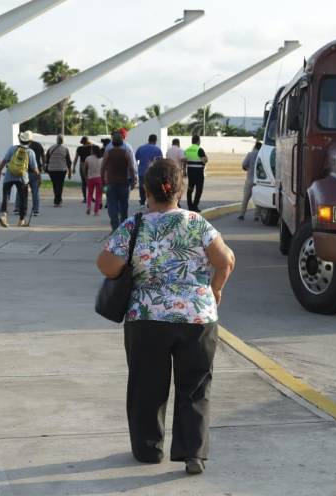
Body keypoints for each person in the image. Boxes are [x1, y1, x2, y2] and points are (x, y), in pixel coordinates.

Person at [96, 158, 236, 475]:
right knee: (195, 386)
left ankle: (148, 450)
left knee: (147, 386)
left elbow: (106, 265)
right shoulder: (198, 223)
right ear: (180, 189)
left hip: (146, 317)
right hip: (197, 318)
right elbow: (225, 261)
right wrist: (215, 290)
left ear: (146, 190)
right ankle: (193, 454)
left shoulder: (135, 226)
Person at [0, 132, 40, 228]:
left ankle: (4, 215)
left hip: (9, 175)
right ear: (30, 141)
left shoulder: (12, 148)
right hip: (22, 178)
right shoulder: (30, 152)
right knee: (23, 199)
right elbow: (34, 168)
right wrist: (39, 177)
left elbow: (4, 161)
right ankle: (21, 220)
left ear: (20, 139)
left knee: (6, 196)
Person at [101, 131, 136, 231]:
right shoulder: (126, 153)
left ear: (112, 142)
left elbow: (103, 168)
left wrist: (103, 182)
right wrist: (133, 180)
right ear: (122, 142)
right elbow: (131, 168)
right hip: (124, 183)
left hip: (110, 183)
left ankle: (115, 227)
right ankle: (123, 227)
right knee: (124, 205)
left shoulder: (108, 153)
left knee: (112, 205)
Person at [134, 134, 163, 207]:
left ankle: (142, 202)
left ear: (148, 139)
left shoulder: (140, 148)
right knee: (151, 187)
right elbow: (160, 162)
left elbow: (135, 159)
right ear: (155, 140)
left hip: (142, 171)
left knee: (142, 186)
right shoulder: (157, 149)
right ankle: (150, 202)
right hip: (153, 172)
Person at [45, 135, 72, 207]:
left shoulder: (51, 148)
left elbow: (46, 159)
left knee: (55, 185)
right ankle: (58, 201)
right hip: (62, 170)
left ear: (57, 140)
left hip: (52, 170)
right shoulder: (65, 149)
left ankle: (57, 200)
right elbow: (68, 161)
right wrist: (70, 172)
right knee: (60, 185)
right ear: (63, 140)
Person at [238, 141, 262, 221]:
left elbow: (244, 165)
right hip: (259, 181)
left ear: (255, 146)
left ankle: (242, 214)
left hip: (250, 179)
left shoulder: (250, 154)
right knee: (258, 199)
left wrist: (248, 168)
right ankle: (256, 216)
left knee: (246, 198)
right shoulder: (262, 155)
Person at [185, 135, 208, 212]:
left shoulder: (187, 150)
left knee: (190, 189)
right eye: (199, 140)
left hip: (190, 172)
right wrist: (206, 158)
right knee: (199, 190)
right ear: (198, 141)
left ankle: (190, 206)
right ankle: (195, 206)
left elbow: (184, 160)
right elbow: (205, 160)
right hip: (198, 173)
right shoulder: (199, 149)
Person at [27, 133, 45, 217]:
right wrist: (44, 164)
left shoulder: (23, 146)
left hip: (25, 171)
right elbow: (43, 155)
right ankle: (36, 210)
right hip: (36, 170)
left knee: (21, 191)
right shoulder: (38, 145)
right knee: (35, 191)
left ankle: (18, 208)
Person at [74, 136, 96, 204]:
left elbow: (76, 158)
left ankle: (85, 198)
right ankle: (91, 196)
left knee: (84, 182)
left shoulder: (79, 148)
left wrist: (73, 167)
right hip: (90, 164)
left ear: (82, 142)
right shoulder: (92, 147)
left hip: (82, 165)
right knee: (91, 181)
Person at [165, 138, 186, 207]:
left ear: (172, 143)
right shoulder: (179, 150)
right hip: (177, 171)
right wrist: (187, 159)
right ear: (178, 143)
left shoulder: (168, 150)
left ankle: (170, 201)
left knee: (171, 187)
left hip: (169, 171)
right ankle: (177, 202)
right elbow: (182, 159)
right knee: (179, 187)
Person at [84, 145, 104, 216]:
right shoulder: (102, 159)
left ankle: (89, 207)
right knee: (98, 195)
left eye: (91, 149)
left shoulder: (88, 158)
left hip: (90, 178)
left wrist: (86, 177)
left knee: (90, 194)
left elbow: (85, 169)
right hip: (99, 178)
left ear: (93, 150)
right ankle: (96, 212)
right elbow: (103, 170)